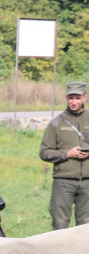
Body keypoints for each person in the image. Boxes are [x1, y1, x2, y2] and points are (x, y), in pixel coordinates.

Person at [40, 81, 89, 230]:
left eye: (78, 98)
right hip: (63, 182)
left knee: (86, 227)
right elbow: (44, 152)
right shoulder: (56, 123)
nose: (74, 102)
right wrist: (67, 154)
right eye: (71, 98)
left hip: (87, 183)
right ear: (66, 98)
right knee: (60, 226)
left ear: (85, 97)